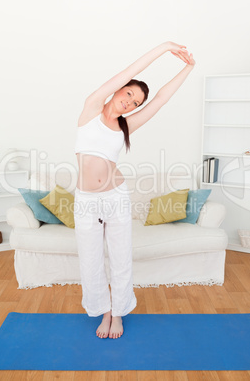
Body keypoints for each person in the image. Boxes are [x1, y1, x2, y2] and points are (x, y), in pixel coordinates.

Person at [74, 41, 195, 339]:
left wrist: (188, 67)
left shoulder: (127, 125)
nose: (130, 102)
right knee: (90, 260)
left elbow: (162, 99)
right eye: (128, 93)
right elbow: (131, 70)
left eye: (136, 102)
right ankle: (102, 310)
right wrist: (165, 47)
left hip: (115, 198)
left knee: (120, 257)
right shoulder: (91, 109)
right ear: (118, 90)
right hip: (87, 201)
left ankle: (118, 314)